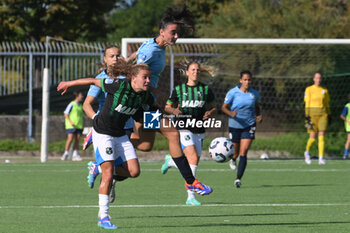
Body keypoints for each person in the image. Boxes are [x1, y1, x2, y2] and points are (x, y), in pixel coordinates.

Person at [57, 60, 212, 229]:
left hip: (121, 134)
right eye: (145, 78)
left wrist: (172, 112)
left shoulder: (145, 96)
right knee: (108, 175)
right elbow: (92, 81)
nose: (148, 81)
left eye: (149, 78)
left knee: (136, 169)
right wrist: (69, 83)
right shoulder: (118, 85)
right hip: (103, 133)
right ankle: (103, 216)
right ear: (133, 78)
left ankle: (190, 181)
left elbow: (156, 109)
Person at [81, 45, 135, 203]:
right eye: (111, 56)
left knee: (130, 167)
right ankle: (105, 178)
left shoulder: (128, 76)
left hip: (126, 125)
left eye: (118, 55)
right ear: (105, 60)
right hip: (107, 128)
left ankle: (99, 168)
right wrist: (96, 119)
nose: (115, 58)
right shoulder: (101, 79)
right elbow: (87, 104)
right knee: (113, 167)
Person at [161, 62, 216, 205]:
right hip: (183, 126)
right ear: (187, 72)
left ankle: (172, 161)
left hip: (199, 127)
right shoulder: (179, 90)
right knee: (191, 156)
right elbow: (167, 107)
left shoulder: (205, 89)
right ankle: (191, 196)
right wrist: (174, 111)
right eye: (193, 70)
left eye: (198, 70)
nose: (196, 72)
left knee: (194, 161)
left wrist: (209, 113)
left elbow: (214, 107)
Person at [221, 70, 262, 188]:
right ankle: (233, 159)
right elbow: (223, 107)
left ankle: (238, 179)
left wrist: (258, 115)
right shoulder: (233, 92)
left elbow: (257, 106)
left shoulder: (254, 93)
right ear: (240, 80)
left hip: (249, 125)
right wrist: (230, 113)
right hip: (235, 125)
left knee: (243, 152)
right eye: (245, 80)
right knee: (236, 151)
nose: (247, 82)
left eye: (249, 80)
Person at [304, 72, 330, 165]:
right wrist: (306, 115)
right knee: (313, 138)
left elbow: (326, 104)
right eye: (317, 78)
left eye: (320, 78)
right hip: (311, 116)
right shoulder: (309, 89)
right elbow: (307, 103)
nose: (318, 80)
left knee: (322, 136)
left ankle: (321, 158)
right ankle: (306, 152)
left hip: (323, 115)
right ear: (313, 79)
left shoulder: (324, 90)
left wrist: (329, 114)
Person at [61, 91, 84, 161]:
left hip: (79, 125)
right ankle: (66, 153)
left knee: (77, 140)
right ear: (77, 96)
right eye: (81, 95)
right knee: (70, 139)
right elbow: (66, 113)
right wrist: (70, 122)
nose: (82, 96)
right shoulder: (71, 104)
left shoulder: (80, 105)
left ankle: (75, 154)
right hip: (71, 126)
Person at [340, 94, 350, 159]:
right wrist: (348, 121)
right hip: (349, 126)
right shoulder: (347, 106)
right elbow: (342, 116)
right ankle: (345, 154)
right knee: (349, 139)